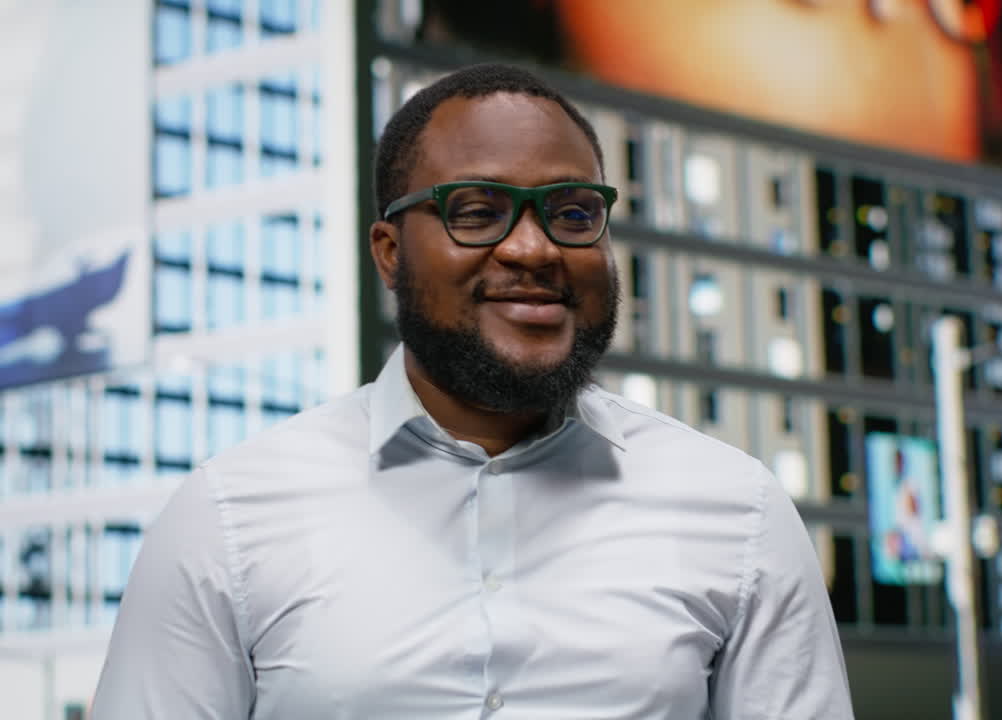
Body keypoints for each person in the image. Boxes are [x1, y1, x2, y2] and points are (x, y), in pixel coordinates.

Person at [93, 63, 855, 719]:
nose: (532, 248)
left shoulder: (739, 516)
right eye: (478, 212)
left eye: (573, 213)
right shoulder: (226, 523)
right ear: (389, 252)